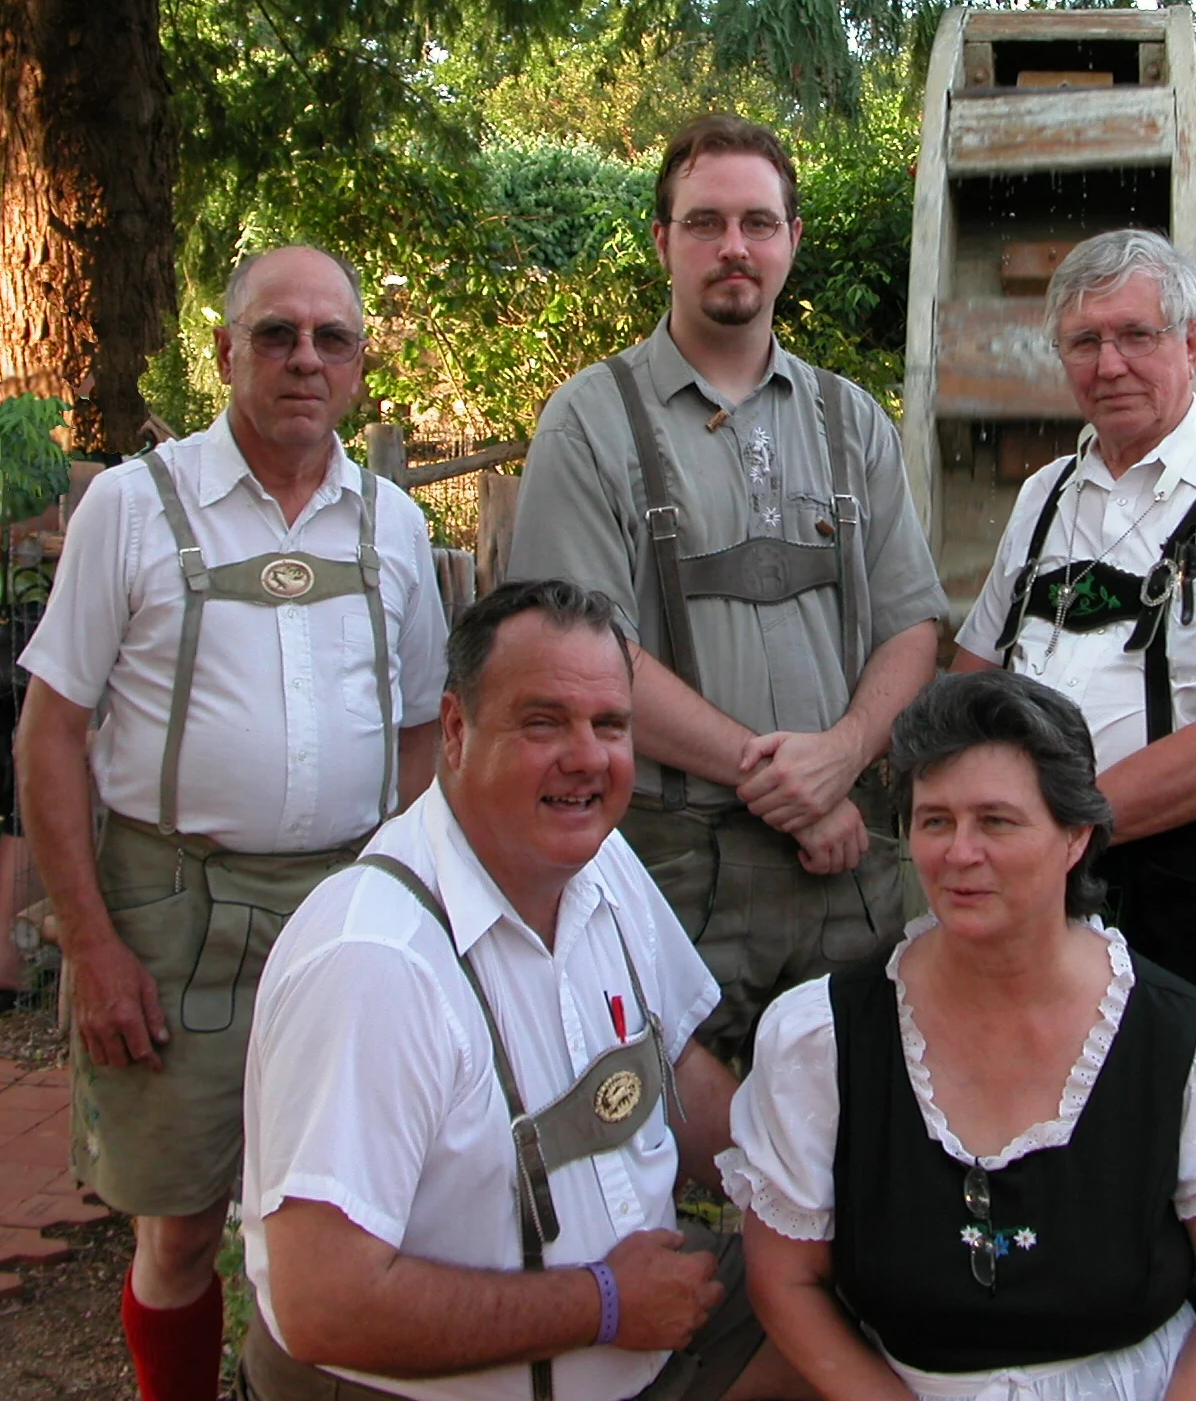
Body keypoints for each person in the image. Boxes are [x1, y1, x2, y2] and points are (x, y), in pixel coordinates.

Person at [14, 245, 448, 1401]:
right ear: (223, 351)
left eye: (331, 338)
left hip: (346, 910)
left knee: (356, 1206)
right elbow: (51, 734)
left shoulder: (394, 528)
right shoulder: (132, 508)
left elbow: (421, 730)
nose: (305, 358)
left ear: (359, 365)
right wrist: (95, 943)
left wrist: (406, 904)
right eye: (276, 333)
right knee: (178, 1225)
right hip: (174, 914)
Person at [240, 579, 809, 1401]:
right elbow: (323, 1304)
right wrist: (603, 1305)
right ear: (456, 730)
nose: (587, 758)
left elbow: (676, 1067)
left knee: (864, 1314)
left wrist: (818, 1206)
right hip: (420, 1387)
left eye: (609, 725)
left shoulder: (598, 858)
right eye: (543, 722)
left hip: (650, 1330)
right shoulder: (373, 959)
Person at [722, 670, 1196, 1401]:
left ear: (1075, 837)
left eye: (996, 821)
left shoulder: (1187, 1046)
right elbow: (786, 1280)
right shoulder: (825, 1039)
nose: (959, 853)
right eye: (935, 821)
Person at [508, 114, 946, 1057]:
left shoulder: (853, 421)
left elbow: (912, 625)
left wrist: (843, 756)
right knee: (664, 1118)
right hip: (672, 864)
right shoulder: (590, 423)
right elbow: (580, 664)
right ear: (662, 241)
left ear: (792, 239)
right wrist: (793, 787)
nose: (733, 247)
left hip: (850, 862)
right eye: (704, 223)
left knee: (857, 1115)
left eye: (758, 222)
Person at [952, 229, 1196, 1030]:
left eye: (1135, 335)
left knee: (1177, 1103)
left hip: (1189, 896)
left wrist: (1054, 831)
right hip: (1034, 885)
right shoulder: (1045, 496)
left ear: (1191, 342)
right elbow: (970, 684)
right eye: (1084, 342)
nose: (1109, 365)